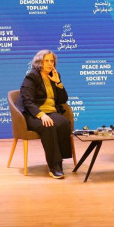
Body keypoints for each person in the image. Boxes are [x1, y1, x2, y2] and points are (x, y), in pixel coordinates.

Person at [20, 50, 73, 178]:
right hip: (33, 113)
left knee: (64, 123)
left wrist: (58, 83)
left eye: (52, 61)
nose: (50, 64)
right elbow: (27, 101)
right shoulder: (32, 77)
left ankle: (60, 160)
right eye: (46, 61)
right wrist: (41, 115)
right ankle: (54, 166)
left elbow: (63, 100)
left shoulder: (55, 75)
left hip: (51, 111)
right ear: (40, 63)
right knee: (48, 126)